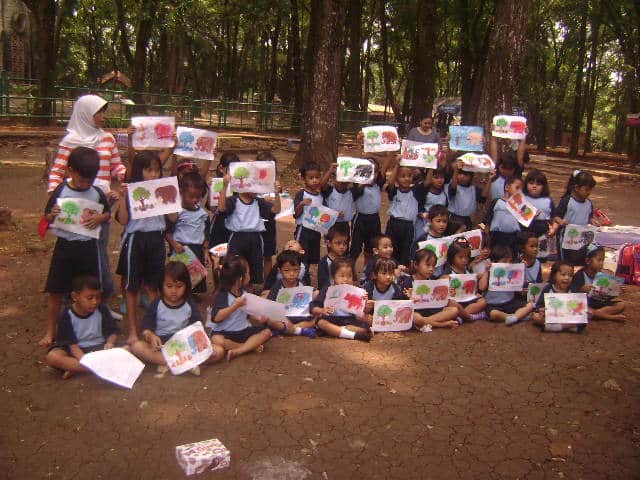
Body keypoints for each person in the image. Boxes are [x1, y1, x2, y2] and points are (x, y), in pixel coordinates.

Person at [47, 94, 126, 311]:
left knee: (98, 252)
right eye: (98, 112)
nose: (103, 116)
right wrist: (58, 198)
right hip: (74, 209)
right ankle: (72, 297)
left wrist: (127, 176)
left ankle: (98, 298)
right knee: (72, 251)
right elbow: (57, 173)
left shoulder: (108, 138)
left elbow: (117, 166)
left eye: (103, 112)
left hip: (100, 205)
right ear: (84, 114)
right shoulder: (69, 142)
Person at [41, 147, 112, 347]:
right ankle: (51, 331)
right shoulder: (61, 190)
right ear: (70, 171)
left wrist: (100, 218)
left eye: (90, 180)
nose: (85, 184)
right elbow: (46, 216)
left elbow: (107, 213)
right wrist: (52, 214)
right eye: (82, 180)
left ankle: (95, 329)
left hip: (88, 248)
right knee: (56, 290)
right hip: (64, 248)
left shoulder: (96, 193)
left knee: (92, 290)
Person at [130, 262, 225, 374]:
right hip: (163, 347)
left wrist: (197, 341)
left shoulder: (190, 305)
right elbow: (146, 328)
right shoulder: (157, 304)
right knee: (137, 346)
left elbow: (197, 328)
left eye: (179, 286)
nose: (174, 291)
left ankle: (175, 363)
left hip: (185, 347)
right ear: (161, 285)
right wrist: (151, 336)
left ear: (186, 286)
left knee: (218, 351)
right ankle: (184, 364)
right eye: (169, 286)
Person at [115, 151, 166, 344]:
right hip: (136, 240)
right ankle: (133, 332)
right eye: (149, 170)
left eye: (157, 170)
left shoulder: (162, 189)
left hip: (157, 239)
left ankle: (154, 329)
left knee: (153, 286)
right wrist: (122, 198)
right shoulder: (131, 191)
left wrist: (171, 200)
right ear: (139, 171)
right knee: (132, 287)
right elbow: (123, 221)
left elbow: (173, 218)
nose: (154, 174)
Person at [45, 275, 120, 379]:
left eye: (98, 297)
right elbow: (72, 346)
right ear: (75, 296)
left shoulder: (102, 309)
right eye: (90, 298)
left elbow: (112, 331)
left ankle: (77, 368)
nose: (95, 302)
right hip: (76, 351)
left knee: (128, 349)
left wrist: (110, 343)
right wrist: (84, 360)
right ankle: (97, 367)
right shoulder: (67, 314)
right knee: (53, 357)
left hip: (100, 348)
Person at [219, 170, 281, 292]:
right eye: (253, 185)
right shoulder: (234, 200)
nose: (256, 188)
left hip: (255, 238)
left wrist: (277, 194)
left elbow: (275, 210)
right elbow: (221, 209)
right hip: (237, 238)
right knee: (235, 265)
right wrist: (225, 186)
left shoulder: (259, 202)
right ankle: (234, 290)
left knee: (254, 266)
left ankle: (249, 291)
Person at [210, 255, 272, 361]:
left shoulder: (244, 293)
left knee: (267, 332)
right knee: (217, 339)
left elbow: (248, 313)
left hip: (243, 330)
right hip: (225, 332)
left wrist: (259, 318)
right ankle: (248, 347)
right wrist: (235, 306)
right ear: (240, 278)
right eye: (248, 273)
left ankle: (239, 350)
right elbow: (216, 318)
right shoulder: (223, 295)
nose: (249, 275)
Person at [166, 172, 209, 294]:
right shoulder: (177, 212)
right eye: (191, 196)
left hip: (197, 249)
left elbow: (205, 232)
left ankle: (191, 296)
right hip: (181, 249)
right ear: (181, 193)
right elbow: (167, 232)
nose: (195, 200)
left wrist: (205, 251)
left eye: (198, 197)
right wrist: (174, 244)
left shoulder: (202, 213)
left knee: (196, 277)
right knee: (180, 275)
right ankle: (180, 295)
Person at [310, 257, 372, 342]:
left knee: (366, 328)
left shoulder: (355, 290)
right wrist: (322, 310)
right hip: (331, 319)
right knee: (321, 323)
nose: (346, 279)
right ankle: (352, 335)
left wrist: (364, 302)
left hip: (349, 320)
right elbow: (313, 307)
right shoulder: (327, 290)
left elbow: (362, 312)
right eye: (342, 276)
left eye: (349, 276)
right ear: (333, 277)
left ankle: (337, 330)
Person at [384, 159, 426, 267]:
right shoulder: (394, 191)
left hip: (408, 226)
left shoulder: (416, 191)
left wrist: (429, 166)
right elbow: (390, 182)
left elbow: (427, 182)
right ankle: (389, 270)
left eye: (409, 176)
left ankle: (402, 273)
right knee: (390, 249)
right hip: (394, 224)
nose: (406, 178)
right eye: (402, 176)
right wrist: (397, 165)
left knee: (405, 251)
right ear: (397, 178)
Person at [266, 250, 318, 337]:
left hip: (300, 317)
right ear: (279, 271)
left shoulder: (302, 284)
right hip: (284, 318)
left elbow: (309, 300)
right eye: (286, 270)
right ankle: (298, 330)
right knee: (270, 320)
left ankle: (288, 330)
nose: (291, 274)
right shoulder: (277, 287)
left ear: (300, 269)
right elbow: (270, 305)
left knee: (317, 317)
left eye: (295, 270)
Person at [406, 249, 461, 329]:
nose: (431, 269)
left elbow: (439, 298)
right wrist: (409, 299)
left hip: (433, 312)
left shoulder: (434, 280)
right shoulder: (408, 282)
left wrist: (448, 293)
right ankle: (443, 324)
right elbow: (403, 304)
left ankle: (423, 323)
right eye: (428, 265)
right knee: (415, 317)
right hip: (417, 313)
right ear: (415, 264)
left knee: (454, 310)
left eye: (433, 266)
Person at [570, 244, 626, 322]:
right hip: (587, 303)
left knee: (621, 304)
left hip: (599, 303)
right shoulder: (580, 275)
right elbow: (572, 293)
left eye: (603, 260)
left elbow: (608, 295)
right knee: (577, 306)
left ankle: (594, 314)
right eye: (599, 260)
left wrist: (616, 289)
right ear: (588, 261)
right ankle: (608, 317)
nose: (601, 263)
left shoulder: (603, 275)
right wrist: (581, 289)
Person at [350, 156, 391, 262]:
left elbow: (384, 169)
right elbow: (356, 193)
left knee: (371, 248)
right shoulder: (358, 187)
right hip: (360, 219)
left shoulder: (378, 185)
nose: (372, 175)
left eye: (375, 172)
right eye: (368, 172)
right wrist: (364, 182)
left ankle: (367, 270)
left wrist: (390, 154)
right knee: (355, 249)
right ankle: (350, 269)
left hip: (374, 220)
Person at [553, 170, 597, 266]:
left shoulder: (589, 203)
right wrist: (561, 221)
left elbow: (589, 217)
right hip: (566, 238)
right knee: (565, 261)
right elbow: (556, 216)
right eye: (586, 189)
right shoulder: (567, 201)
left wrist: (592, 221)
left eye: (590, 190)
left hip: (581, 238)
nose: (589, 192)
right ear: (577, 188)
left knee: (580, 259)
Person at [206, 153, 236, 290]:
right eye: (229, 169)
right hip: (219, 226)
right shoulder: (216, 183)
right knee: (216, 257)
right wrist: (210, 189)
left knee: (230, 259)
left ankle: (230, 288)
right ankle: (217, 289)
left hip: (234, 227)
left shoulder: (239, 185)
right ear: (221, 168)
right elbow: (212, 208)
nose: (232, 173)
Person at [484, 244, 535, 325]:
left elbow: (518, 288)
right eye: (504, 261)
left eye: (510, 261)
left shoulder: (511, 271)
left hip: (510, 302)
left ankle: (514, 317)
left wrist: (522, 269)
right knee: (494, 314)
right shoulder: (490, 271)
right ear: (494, 262)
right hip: (493, 304)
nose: (508, 264)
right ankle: (514, 316)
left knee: (530, 305)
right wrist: (486, 271)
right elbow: (481, 287)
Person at [532, 261, 586, 333]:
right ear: (554, 275)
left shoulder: (573, 290)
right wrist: (542, 310)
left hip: (568, 318)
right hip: (552, 318)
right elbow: (539, 306)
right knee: (535, 317)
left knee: (583, 318)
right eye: (563, 274)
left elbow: (578, 307)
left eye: (570, 275)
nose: (567, 278)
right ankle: (569, 328)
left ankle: (554, 327)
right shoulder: (548, 289)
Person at [441, 238, 488, 321]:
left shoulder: (467, 270)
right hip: (456, 302)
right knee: (453, 305)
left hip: (469, 300)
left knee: (483, 302)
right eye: (460, 257)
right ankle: (470, 317)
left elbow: (476, 280)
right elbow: (442, 285)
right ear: (452, 257)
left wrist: (475, 294)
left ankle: (461, 317)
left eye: (466, 257)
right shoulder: (448, 273)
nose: (464, 260)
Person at [294, 161, 324, 267]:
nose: (314, 180)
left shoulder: (321, 195)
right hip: (303, 230)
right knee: (300, 256)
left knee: (311, 257)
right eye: (311, 178)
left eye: (317, 177)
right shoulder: (301, 194)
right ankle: (301, 275)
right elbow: (296, 214)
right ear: (303, 179)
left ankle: (306, 275)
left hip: (315, 231)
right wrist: (301, 204)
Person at [484, 176, 524, 255]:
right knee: (496, 256)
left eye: (522, 190)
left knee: (510, 257)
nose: (519, 192)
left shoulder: (521, 206)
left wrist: (534, 214)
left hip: (513, 237)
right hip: (496, 236)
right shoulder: (497, 202)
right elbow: (488, 220)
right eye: (517, 188)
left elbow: (526, 220)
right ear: (507, 187)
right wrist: (486, 238)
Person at [256, 151, 279, 282]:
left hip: (269, 224)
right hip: (253, 225)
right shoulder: (251, 184)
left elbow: (278, 206)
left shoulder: (274, 185)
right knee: (252, 255)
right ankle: (251, 283)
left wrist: (277, 195)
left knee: (267, 256)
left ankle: (268, 284)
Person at [413, 204, 453, 278]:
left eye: (444, 221)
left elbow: (449, 262)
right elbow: (413, 261)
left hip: (441, 278)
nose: (442, 224)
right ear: (430, 221)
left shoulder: (447, 241)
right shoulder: (422, 240)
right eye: (438, 221)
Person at [447, 159, 486, 230]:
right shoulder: (454, 186)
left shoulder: (474, 189)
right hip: (453, 219)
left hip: (467, 220)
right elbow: (453, 188)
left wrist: (489, 180)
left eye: (465, 175)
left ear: (470, 177)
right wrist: (456, 170)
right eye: (460, 174)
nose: (462, 176)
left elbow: (482, 198)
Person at [320, 163, 355, 233]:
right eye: (339, 179)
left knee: (344, 240)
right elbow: (321, 186)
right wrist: (330, 172)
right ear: (333, 178)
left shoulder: (352, 192)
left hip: (345, 225)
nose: (341, 183)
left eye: (344, 181)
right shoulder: (330, 190)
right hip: (331, 224)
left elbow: (361, 183)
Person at [522, 169, 556, 240]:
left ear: (543, 186)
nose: (534, 186)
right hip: (525, 234)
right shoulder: (522, 199)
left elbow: (553, 218)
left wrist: (553, 228)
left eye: (538, 184)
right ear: (526, 184)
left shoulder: (548, 201)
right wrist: (531, 216)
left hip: (544, 236)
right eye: (531, 183)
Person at [318, 225, 350, 290]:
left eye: (345, 243)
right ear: (329, 243)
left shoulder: (348, 261)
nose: (342, 247)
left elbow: (352, 279)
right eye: (338, 243)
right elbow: (322, 284)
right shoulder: (324, 262)